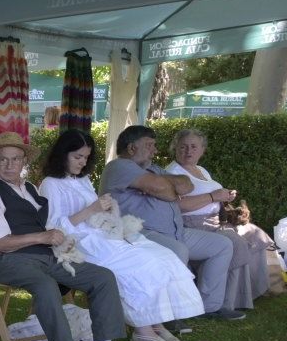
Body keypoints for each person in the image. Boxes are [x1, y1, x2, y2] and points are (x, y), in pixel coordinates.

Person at [0, 132, 137, 341]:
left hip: (45, 257)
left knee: (101, 276)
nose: (9, 165)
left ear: (24, 160)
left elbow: (49, 223)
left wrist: (57, 237)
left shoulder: (29, 189)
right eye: (3, 159)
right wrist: (42, 238)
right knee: (46, 286)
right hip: (6, 260)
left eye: (15, 159)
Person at [38, 130, 203, 341]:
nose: (82, 162)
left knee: (161, 256)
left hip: (101, 234)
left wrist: (106, 208)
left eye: (86, 157)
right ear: (62, 154)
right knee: (137, 264)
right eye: (77, 157)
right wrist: (92, 209)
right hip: (78, 243)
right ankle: (143, 331)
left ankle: (155, 321)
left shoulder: (82, 180)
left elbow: (95, 213)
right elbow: (54, 228)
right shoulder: (50, 184)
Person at [100, 125, 243, 321]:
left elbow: (186, 184)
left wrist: (161, 185)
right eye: (150, 145)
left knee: (222, 245)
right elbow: (163, 189)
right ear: (132, 148)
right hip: (141, 233)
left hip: (175, 230)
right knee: (178, 251)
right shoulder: (119, 166)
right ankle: (172, 314)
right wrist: (165, 187)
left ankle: (208, 307)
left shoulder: (153, 169)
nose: (155, 150)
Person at [165, 128, 272, 309]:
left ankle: (251, 292)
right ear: (175, 149)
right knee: (235, 243)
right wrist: (214, 197)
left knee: (255, 234)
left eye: (193, 147)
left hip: (216, 221)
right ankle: (227, 302)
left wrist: (225, 197)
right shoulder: (172, 172)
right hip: (193, 226)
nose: (188, 151)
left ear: (202, 150)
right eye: (183, 147)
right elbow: (178, 205)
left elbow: (211, 195)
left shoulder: (200, 170)